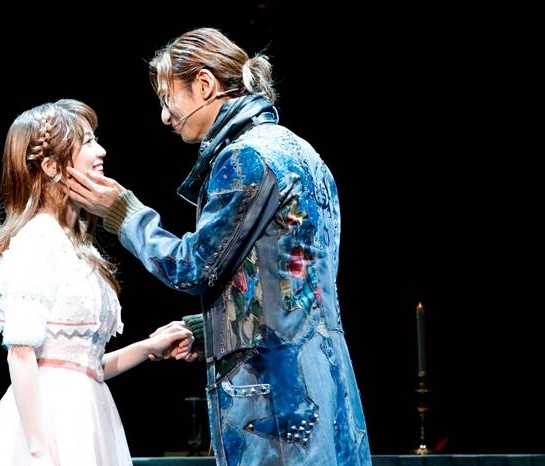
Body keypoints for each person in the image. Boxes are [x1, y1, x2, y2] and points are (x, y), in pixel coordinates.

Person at [66, 28, 372, 465]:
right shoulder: (302, 151)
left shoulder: (246, 158)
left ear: (205, 85)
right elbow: (290, 288)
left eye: (168, 99)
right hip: (325, 383)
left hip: (280, 399)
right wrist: (210, 329)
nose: (165, 117)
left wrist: (124, 212)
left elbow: (193, 268)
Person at [0, 100, 193, 466]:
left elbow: (86, 366)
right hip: (51, 422)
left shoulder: (76, 246)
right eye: (88, 141)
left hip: (88, 414)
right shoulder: (37, 240)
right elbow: (21, 354)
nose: (101, 151)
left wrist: (148, 347)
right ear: (51, 166)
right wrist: (40, 451)